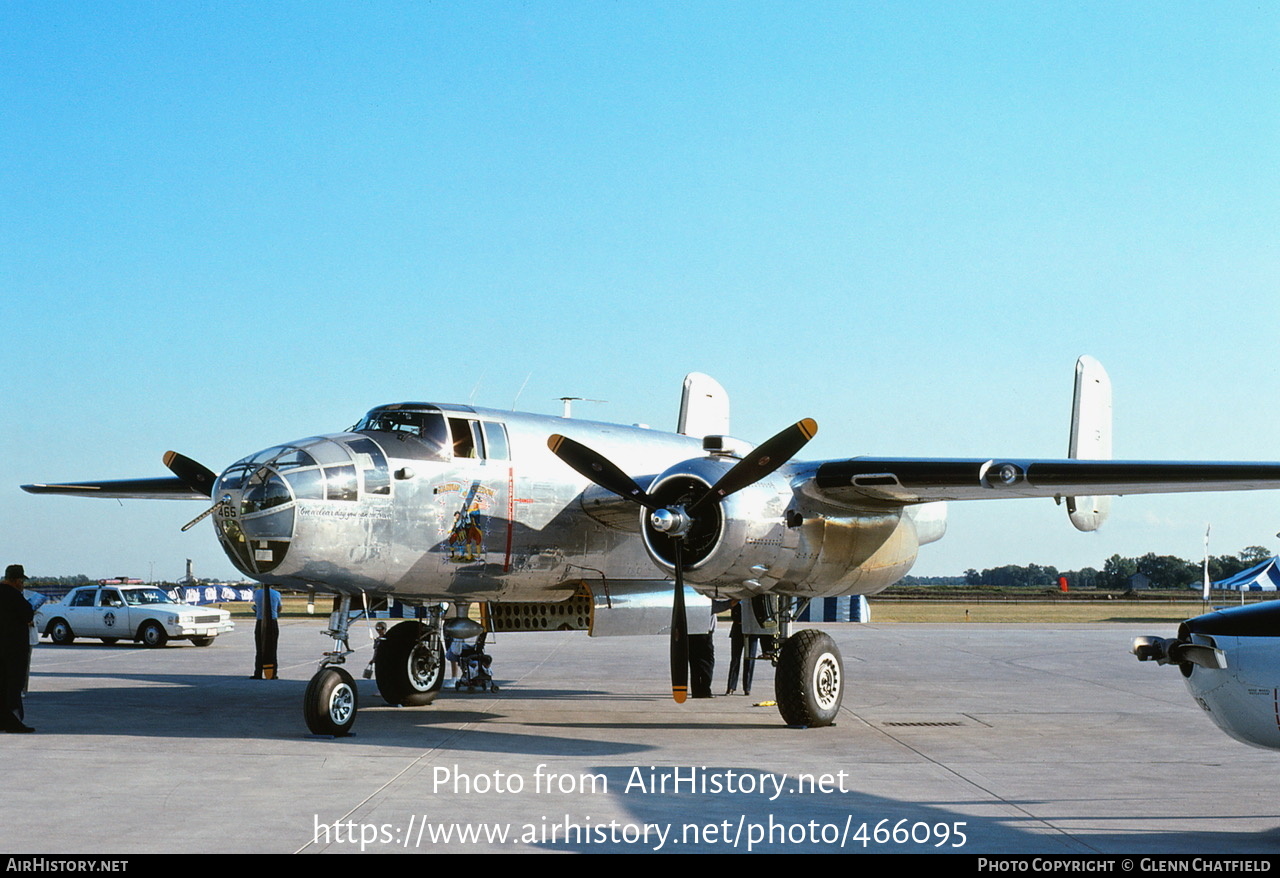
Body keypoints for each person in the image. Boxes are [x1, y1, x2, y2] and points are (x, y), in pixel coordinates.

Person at [0, 565, 35, 732]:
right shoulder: (14, 595)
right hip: (13, 649)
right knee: (13, 686)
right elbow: (28, 614)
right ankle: (13, 722)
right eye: (21, 581)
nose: (22, 584)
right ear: (14, 580)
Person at [251, 585, 281, 680]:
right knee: (273, 649)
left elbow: (256, 606)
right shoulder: (277, 594)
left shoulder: (257, 593)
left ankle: (258, 673)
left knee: (259, 649)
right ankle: (272, 673)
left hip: (260, 622)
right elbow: (279, 608)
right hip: (273, 621)